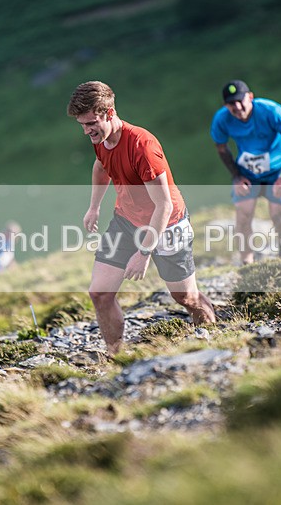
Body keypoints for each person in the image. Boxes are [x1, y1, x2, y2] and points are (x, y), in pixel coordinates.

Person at [67, 81, 215, 355]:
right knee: (99, 294)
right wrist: (94, 207)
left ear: (109, 114)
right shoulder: (100, 139)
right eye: (82, 125)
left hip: (167, 225)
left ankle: (213, 332)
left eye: (91, 123)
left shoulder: (142, 146)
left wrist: (144, 252)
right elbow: (102, 166)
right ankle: (116, 356)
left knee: (186, 297)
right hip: (125, 220)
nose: (87, 131)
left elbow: (165, 206)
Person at [211, 80, 281, 263]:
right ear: (225, 106)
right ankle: (247, 264)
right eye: (231, 104)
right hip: (248, 174)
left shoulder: (270, 111)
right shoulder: (221, 119)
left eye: (240, 100)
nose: (237, 107)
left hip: (277, 171)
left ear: (250, 97)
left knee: (280, 215)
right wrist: (237, 176)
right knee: (243, 215)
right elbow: (221, 148)